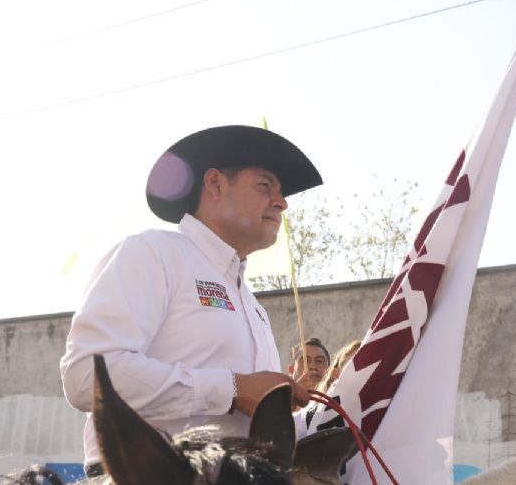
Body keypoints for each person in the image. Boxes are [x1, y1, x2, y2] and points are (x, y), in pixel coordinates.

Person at [59, 125, 323, 477]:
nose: (282, 201)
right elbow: (86, 377)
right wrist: (231, 390)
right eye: (264, 185)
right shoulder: (153, 252)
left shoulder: (253, 305)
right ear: (214, 183)